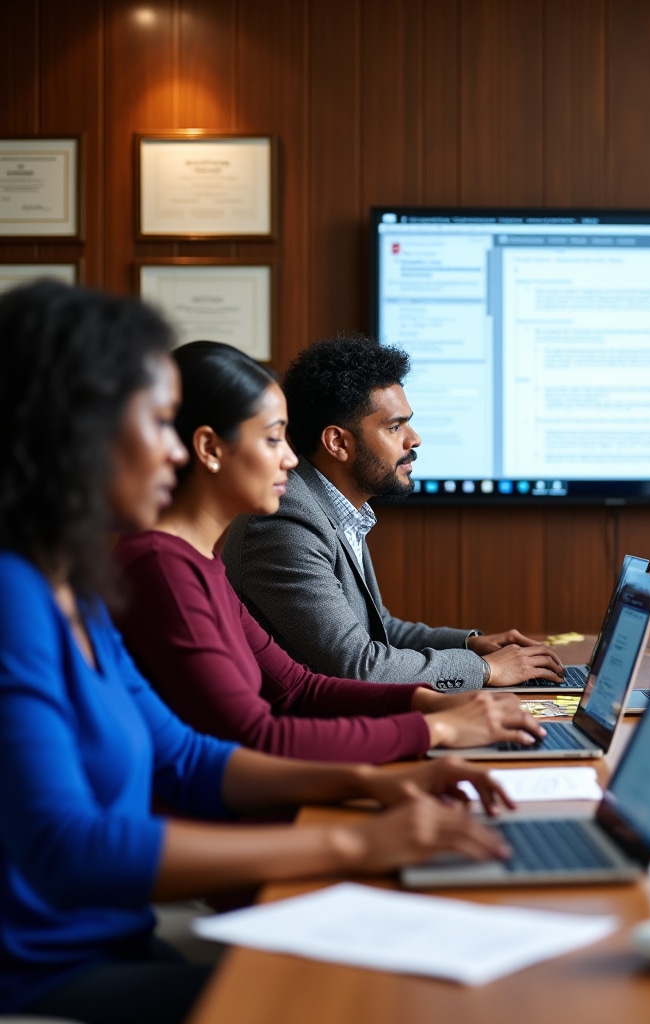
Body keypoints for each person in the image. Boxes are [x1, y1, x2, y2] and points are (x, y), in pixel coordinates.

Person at [0, 281, 511, 1024]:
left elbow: (188, 757)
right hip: (43, 976)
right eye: (158, 422)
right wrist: (354, 841)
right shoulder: (17, 597)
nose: (176, 449)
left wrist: (382, 780)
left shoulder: (73, 586)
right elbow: (69, 848)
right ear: (76, 431)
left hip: (118, 943)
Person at [114, 341, 545, 761]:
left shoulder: (202, 561)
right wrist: (443, 718)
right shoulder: (195, 551)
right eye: (272, 439)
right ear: (209, 449)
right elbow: (257, 733)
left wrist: (437, 697)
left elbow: (299, 686)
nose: (288, 458)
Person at [222, 334, 565, 689]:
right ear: (338, 442)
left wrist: (469, 643)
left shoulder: (331, 504)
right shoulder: (287, 520)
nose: (413, 439)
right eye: (394, 426)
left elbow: (378, 628)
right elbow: (359, 667)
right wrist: (485, 669)